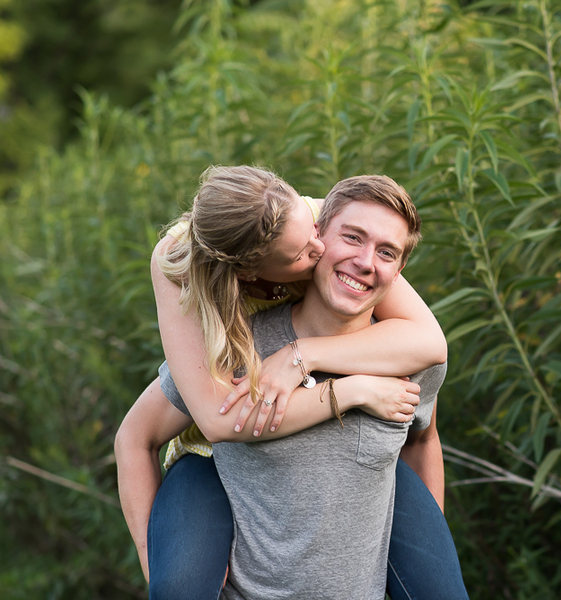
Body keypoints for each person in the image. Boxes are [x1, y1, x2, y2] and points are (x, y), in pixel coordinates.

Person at [114, 167, 467, 599]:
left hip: (362, 478)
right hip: (215, 449)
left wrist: (303, 355)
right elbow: (213, 423)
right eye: (308, 251)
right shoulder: (214, 313)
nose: (321, 251)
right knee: (179, 588)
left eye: (385, 252)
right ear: (249, 271)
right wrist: (349, 392)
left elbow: (430, 361)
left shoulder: (314, 220)